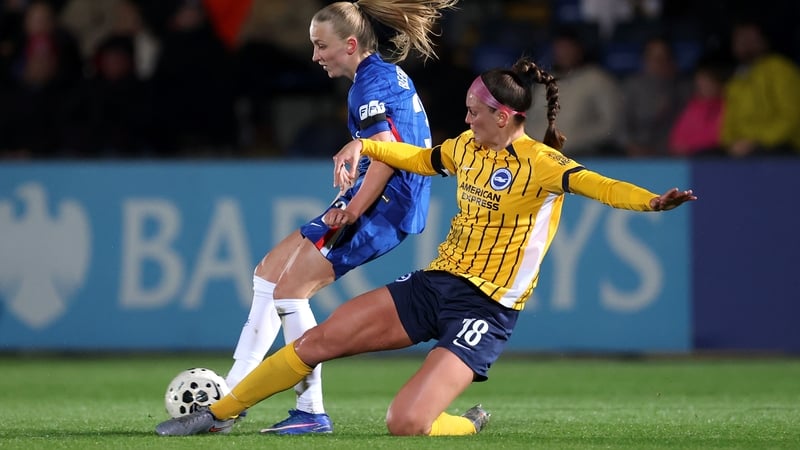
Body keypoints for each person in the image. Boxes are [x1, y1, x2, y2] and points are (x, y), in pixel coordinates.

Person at [155, 55, 696, 437]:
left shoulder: (544, 165)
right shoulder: (464, 148)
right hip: (435, 285)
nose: (465, 119)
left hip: (486, 308)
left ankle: (468, 422)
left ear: (505, 118)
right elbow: (415, 158)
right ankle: (219, 413)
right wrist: (362, 142)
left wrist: (650, 201)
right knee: (318, 340)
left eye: (474, 112)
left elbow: (600, 185)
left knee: (406, 424)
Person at [221, 0, 458, 435]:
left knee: (290, 292)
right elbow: (382, 148)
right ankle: (232, 391)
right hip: (380, 200)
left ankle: (309, 410)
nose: (315, 56)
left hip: (385, 206)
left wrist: (354, 207)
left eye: (320, 45)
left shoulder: (369, 85)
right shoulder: (382, 76)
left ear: (350, 45)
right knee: (268, 275)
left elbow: (386, 155)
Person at [524, 27, 623, 157]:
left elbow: (610, 124)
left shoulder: (597, 79)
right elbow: (527, 120)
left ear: (579, 50)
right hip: (540, 156)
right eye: (560, 48)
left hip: (583, 156)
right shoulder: (542, 81)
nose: (564, 53)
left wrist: (575, 139)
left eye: (568, 48)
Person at [721, 20, 800, 157]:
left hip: (781, 144)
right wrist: (730, 142)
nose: (743, 43)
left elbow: (792, 116)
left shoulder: (781, 70)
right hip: (744, 146)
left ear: (763, 41)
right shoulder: (737, 78)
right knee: (709, 158)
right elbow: (729, 119)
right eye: (739, 38)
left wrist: (756, 141)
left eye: (749, 38)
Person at [619, 36, 691, 157]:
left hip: (675, 155)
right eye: (654, 58)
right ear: (644, 61)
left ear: (672, 61)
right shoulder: (632, 87)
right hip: (638, 154)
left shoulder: (685, 88)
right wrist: (631, 145)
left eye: (664, 58)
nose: (659, 63)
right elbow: (621, 126)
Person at [668, 59, 728, 157]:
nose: (703, 87)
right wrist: (678, 145)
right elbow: (677, 136)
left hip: (715, 155)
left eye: (707, 82)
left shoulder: (725, 106)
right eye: (700, 83)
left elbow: (720, 136)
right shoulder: (693, 106)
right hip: (691, 156)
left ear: (718, 83)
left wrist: (691, 145)